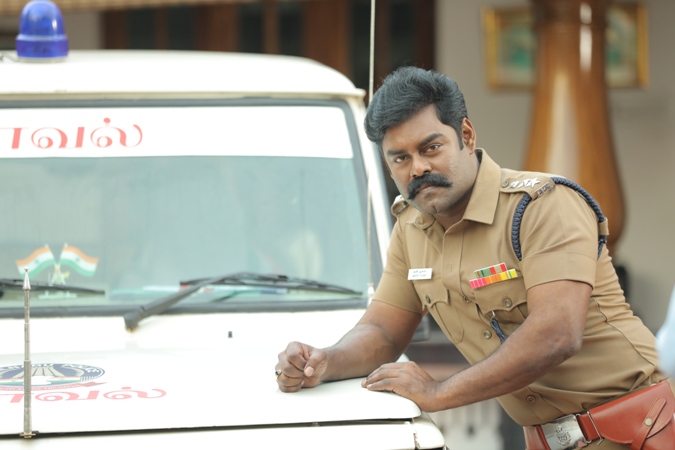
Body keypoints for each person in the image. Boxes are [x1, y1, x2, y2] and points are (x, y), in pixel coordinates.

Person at [275, 67, 674, 449]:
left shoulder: (542, 206)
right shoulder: (411, 228)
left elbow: (557, 333)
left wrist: (438, 392)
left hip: (646, 428)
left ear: (465, 135)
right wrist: (325, 362)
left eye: (431, 148)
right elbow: (383, 331)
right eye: (400, 158)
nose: (418, 168)